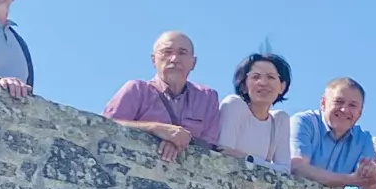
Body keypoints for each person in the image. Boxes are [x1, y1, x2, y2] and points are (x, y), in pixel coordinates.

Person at [103, 31, 222, 162]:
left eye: (182, 53)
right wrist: (155, 129)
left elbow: (210, 145)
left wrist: (177, 140)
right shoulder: (137, 89)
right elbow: (105, 125)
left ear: (193, 63)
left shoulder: (207, 98)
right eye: (167, 52)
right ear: (153, 60)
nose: (174, 59)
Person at [291, 77, 376, 189]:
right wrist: (350, 179)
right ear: (323, 103)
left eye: (353, 105)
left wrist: (374, 178)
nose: (344, 109)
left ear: (360, 112)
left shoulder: (363, 139)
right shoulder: (304, 122)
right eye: (339, 102)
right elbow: (297, 168)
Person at [216, 53, 292, 173]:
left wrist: (247, 158)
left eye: (271, 77)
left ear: (282, 87)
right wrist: (266, 164)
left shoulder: (279, 120)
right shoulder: (234, 105)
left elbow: (284, 170)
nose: (263, 82)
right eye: (255, 77)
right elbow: (223, 153)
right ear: (243, 86)